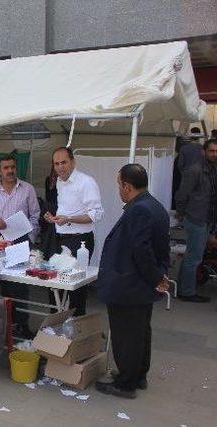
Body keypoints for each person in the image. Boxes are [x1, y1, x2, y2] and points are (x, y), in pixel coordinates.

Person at [95, 164, 169, 399]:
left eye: (119, 184)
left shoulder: (139, 210)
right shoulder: (154, 205)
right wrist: (158, 277)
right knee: (140, 333)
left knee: (126, 335)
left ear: (126, 186)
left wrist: (156, 278)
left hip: (129, 285)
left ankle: (126, 383)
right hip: (140, 285)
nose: (118, 188)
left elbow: (142, 251)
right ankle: (138, 376)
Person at [0, 154, 40, 338]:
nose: (10, 171)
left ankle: (22, 325)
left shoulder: (27, 189)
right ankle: (7, 325)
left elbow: (35, 215)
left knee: (21, 284)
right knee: (3, 282)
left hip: (21, 241)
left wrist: (29, 237)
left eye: (12, 167)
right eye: (6, 168)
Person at [44, 147, 103, 315]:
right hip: (60, 238)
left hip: (80, 241)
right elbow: (67, 211)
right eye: (56, 164)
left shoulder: (86, 182)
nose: (60, 167)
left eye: (64, 162)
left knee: (75, 288)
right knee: (54, 283)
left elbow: (95, 215)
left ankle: (77, 330)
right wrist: (55, 218)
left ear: (73, 162)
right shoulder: (60, 182)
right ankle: (55, 327)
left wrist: (68, 219)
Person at [174, 139, 217, 303]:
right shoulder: (195, 170)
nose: (214, 154)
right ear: (204, 152)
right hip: (196, 218)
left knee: (195, 255)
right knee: (194, 257)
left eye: (216, 151)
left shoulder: (212, 169)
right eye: (211, 151)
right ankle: (186, 292)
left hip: (206, 218)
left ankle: (186, 287)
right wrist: (181, 213)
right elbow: (182, 194)